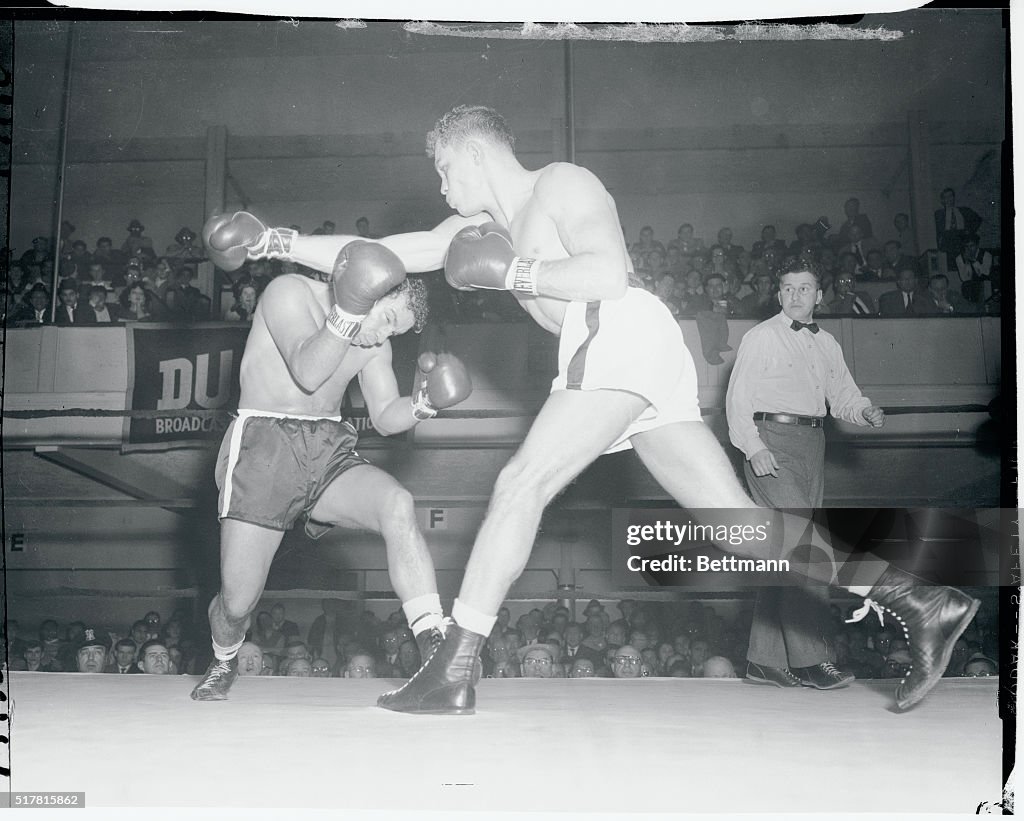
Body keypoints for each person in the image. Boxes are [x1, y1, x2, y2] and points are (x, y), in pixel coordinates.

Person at [217, 106, 979, 716]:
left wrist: (515, 270)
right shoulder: (470, 231)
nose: (442, 186)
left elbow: (609, 274)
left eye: (443, 168)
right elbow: (376, 251)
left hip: (617, 328)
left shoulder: (561, 184)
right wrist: (273, 240)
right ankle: (917, 598)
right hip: (633, 354)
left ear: (473, 151)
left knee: (520, 484)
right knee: (738, 524)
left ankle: (453, 669)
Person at [190, 217, 473, 701]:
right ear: (364, 289)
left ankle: (436, 647)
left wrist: (424, 404)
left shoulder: (374, 340)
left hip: (328, 449)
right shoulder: (288, 292)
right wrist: (348, 313)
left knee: (397, 504)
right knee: (238, 601)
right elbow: (306, 369)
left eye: (396, 331)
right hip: (264, 445)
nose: (384, 335)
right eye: (387, 318)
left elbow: (385, 416)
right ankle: (224, 658)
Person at [726, 260, 884, 690]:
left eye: (805, 288)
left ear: (819, 296)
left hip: (813, 446)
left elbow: (842, 394)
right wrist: (753, 447)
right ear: (779, 296)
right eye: (788, 289)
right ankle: (814, 660)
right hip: (771, 444)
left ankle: (764, 661)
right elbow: (737, 398)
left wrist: (863, 410)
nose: (796, 295)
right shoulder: (760, 337)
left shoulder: (827, 343)